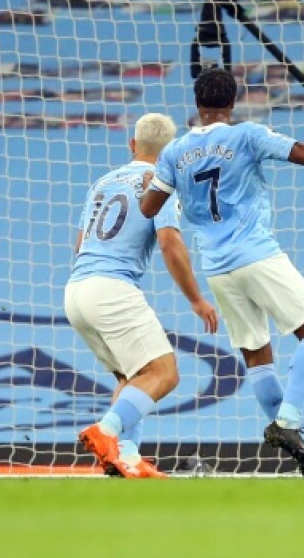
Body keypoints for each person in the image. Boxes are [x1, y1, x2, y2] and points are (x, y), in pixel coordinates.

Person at [140, 67, 304, 478]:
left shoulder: (174, 152)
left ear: (197, 104)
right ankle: (288, 422)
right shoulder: (246, 135)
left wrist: (171, 184)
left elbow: (148, 207)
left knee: (257, 356)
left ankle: (296, 442)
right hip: (256, 254)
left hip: (217, 268)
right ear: (232, 103)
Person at [68, 113, 218, 479]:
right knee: (165, 373)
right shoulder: (161, 182)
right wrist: (196, 299)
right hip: (112, 287)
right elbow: (169, 242)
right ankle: (106, 431)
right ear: (170, 152)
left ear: (132, 144)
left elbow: (80, 244)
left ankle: (128, 458)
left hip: (76, 290)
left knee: (132, 376)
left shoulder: (102, 182)